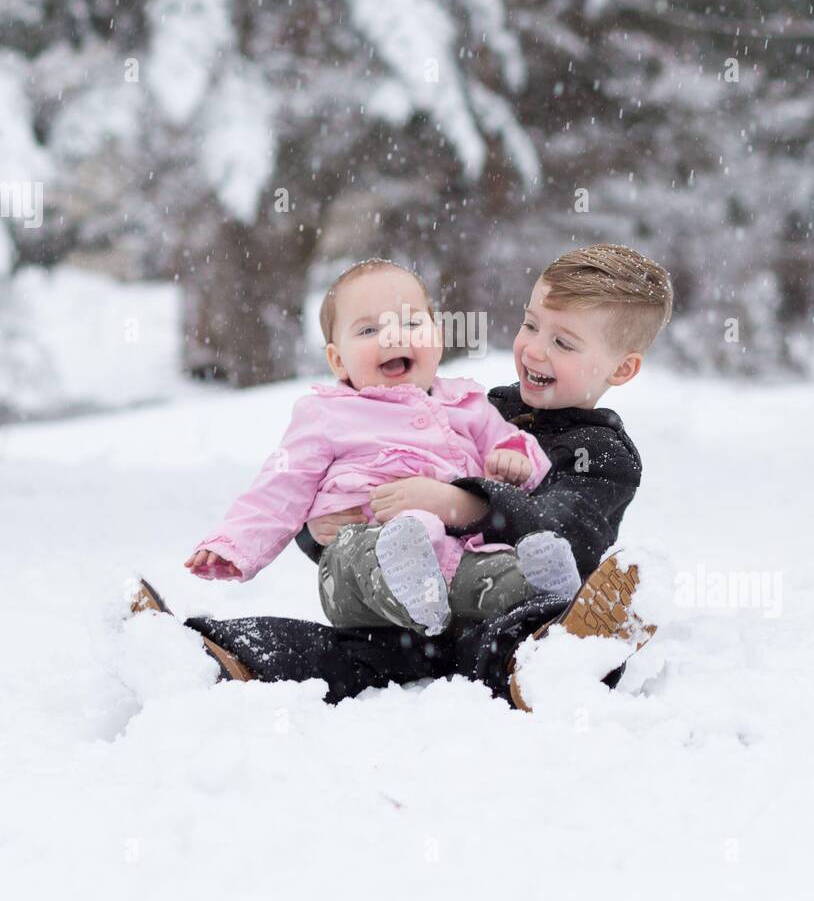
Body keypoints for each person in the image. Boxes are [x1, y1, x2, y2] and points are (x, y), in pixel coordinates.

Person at [132, 244, 672, 712]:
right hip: (392, 600)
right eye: (531, 325)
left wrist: (463, 505)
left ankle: (558, 661)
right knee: (336, 650)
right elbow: (329, 475)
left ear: (620, 369)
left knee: (508, 632)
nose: (533, 348)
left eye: (564, 343)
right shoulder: (478, 404)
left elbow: (565, 529)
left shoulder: (603, 455)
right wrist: (316, 526)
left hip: (483, 616)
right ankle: (207, 652)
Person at [184, 258, 584, 637]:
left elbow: (516, 448)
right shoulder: (328, 414)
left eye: (410, 322)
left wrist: (514, 459)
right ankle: (404, 574)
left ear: (437, 338)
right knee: (360, 552)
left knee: (491, 576)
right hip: (356, 556)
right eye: (369, 331)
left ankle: (546, 594)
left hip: (455, 554)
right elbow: (280, 485)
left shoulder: (466, 405)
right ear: (338, 361)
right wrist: (234, 544)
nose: (394, 336)